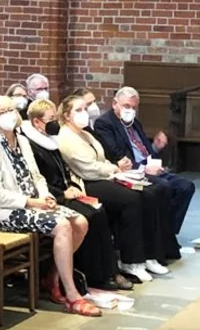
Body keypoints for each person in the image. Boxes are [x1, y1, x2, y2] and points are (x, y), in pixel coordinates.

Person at [0, 96, 100, 316]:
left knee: (80, 222)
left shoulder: (22, 140)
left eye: (11, 110)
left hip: (34, 202)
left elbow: (36, 176)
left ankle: (52, 277)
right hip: (5, 210)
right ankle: (72, 295)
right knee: (61, 225)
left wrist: (46, 197)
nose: (8, 115)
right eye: (1, 112)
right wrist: (31, 202)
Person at [56, 94, 172, 283]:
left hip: (105, 175)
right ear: (67, 115)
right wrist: (115, 169)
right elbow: (87, 168)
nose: (84, 113)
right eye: (78, 110)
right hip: (87, 183)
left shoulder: (85, 133)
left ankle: (150, 255)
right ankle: (131, 261)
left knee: (148, 193)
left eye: (85, 109)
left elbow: (102, 159)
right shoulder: (66, 137)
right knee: (131, 199)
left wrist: (117, 169)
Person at [21, 100, 132, 292]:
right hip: (49, 196)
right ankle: (94, 274)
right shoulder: (31, 145)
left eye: (56, 117)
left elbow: (64, 171)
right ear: (37, 122)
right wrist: (62, 192)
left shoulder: (51, 140)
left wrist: (72, 186)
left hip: (67, 191)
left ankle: (109, 271)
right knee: (89, 216)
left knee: (98, 210)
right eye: (50, 119)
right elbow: (36, 179)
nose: (55, 122)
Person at [95, 86, 195, 241]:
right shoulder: (105, 124)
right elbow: (116, 155)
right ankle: (161, 235)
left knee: (186, 186)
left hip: (149, 167)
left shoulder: (135, 123)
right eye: (126, 106)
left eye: (134, 107)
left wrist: (155, 147)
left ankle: (167, 233)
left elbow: (146, 152)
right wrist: (144, 168)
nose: (130, 111)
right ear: (115, 103)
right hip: (131, 171)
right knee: (163, 186)